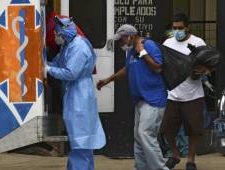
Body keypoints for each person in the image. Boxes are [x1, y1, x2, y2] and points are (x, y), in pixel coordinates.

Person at [97, 24, 168, 170]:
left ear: (130, 36)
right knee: (139, 137)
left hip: (153, 99)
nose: (121, 43)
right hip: (141, 100)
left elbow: (158, 67)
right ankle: (141, 167)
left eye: (122, 40)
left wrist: (142, 52)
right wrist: (108, 80)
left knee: (145, 134)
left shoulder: (149, 45)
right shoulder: (131, 52)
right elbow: (127, 69)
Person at [45, 16, 106, 170]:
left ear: (63, 33)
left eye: (55, 34)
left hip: (80, 97)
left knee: (81, 142)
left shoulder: (79, 47)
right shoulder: (68, 46)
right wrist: (45, 65)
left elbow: (71, 73)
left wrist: (48, 69)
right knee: (80, 143)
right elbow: (57, 63)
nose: (54, 37)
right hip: (73, 95)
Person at [160, 13, 209, 170]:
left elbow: (208, 65)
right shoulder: (168, 43)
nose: (177, 31)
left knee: (193, 130)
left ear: (187, 27)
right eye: (174, 28)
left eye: (180, 28)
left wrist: (200, 71)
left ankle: (190, 160)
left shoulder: (198, 42)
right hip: (173, 94)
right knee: (167, 129)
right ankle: (174, 154)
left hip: (193, 94)